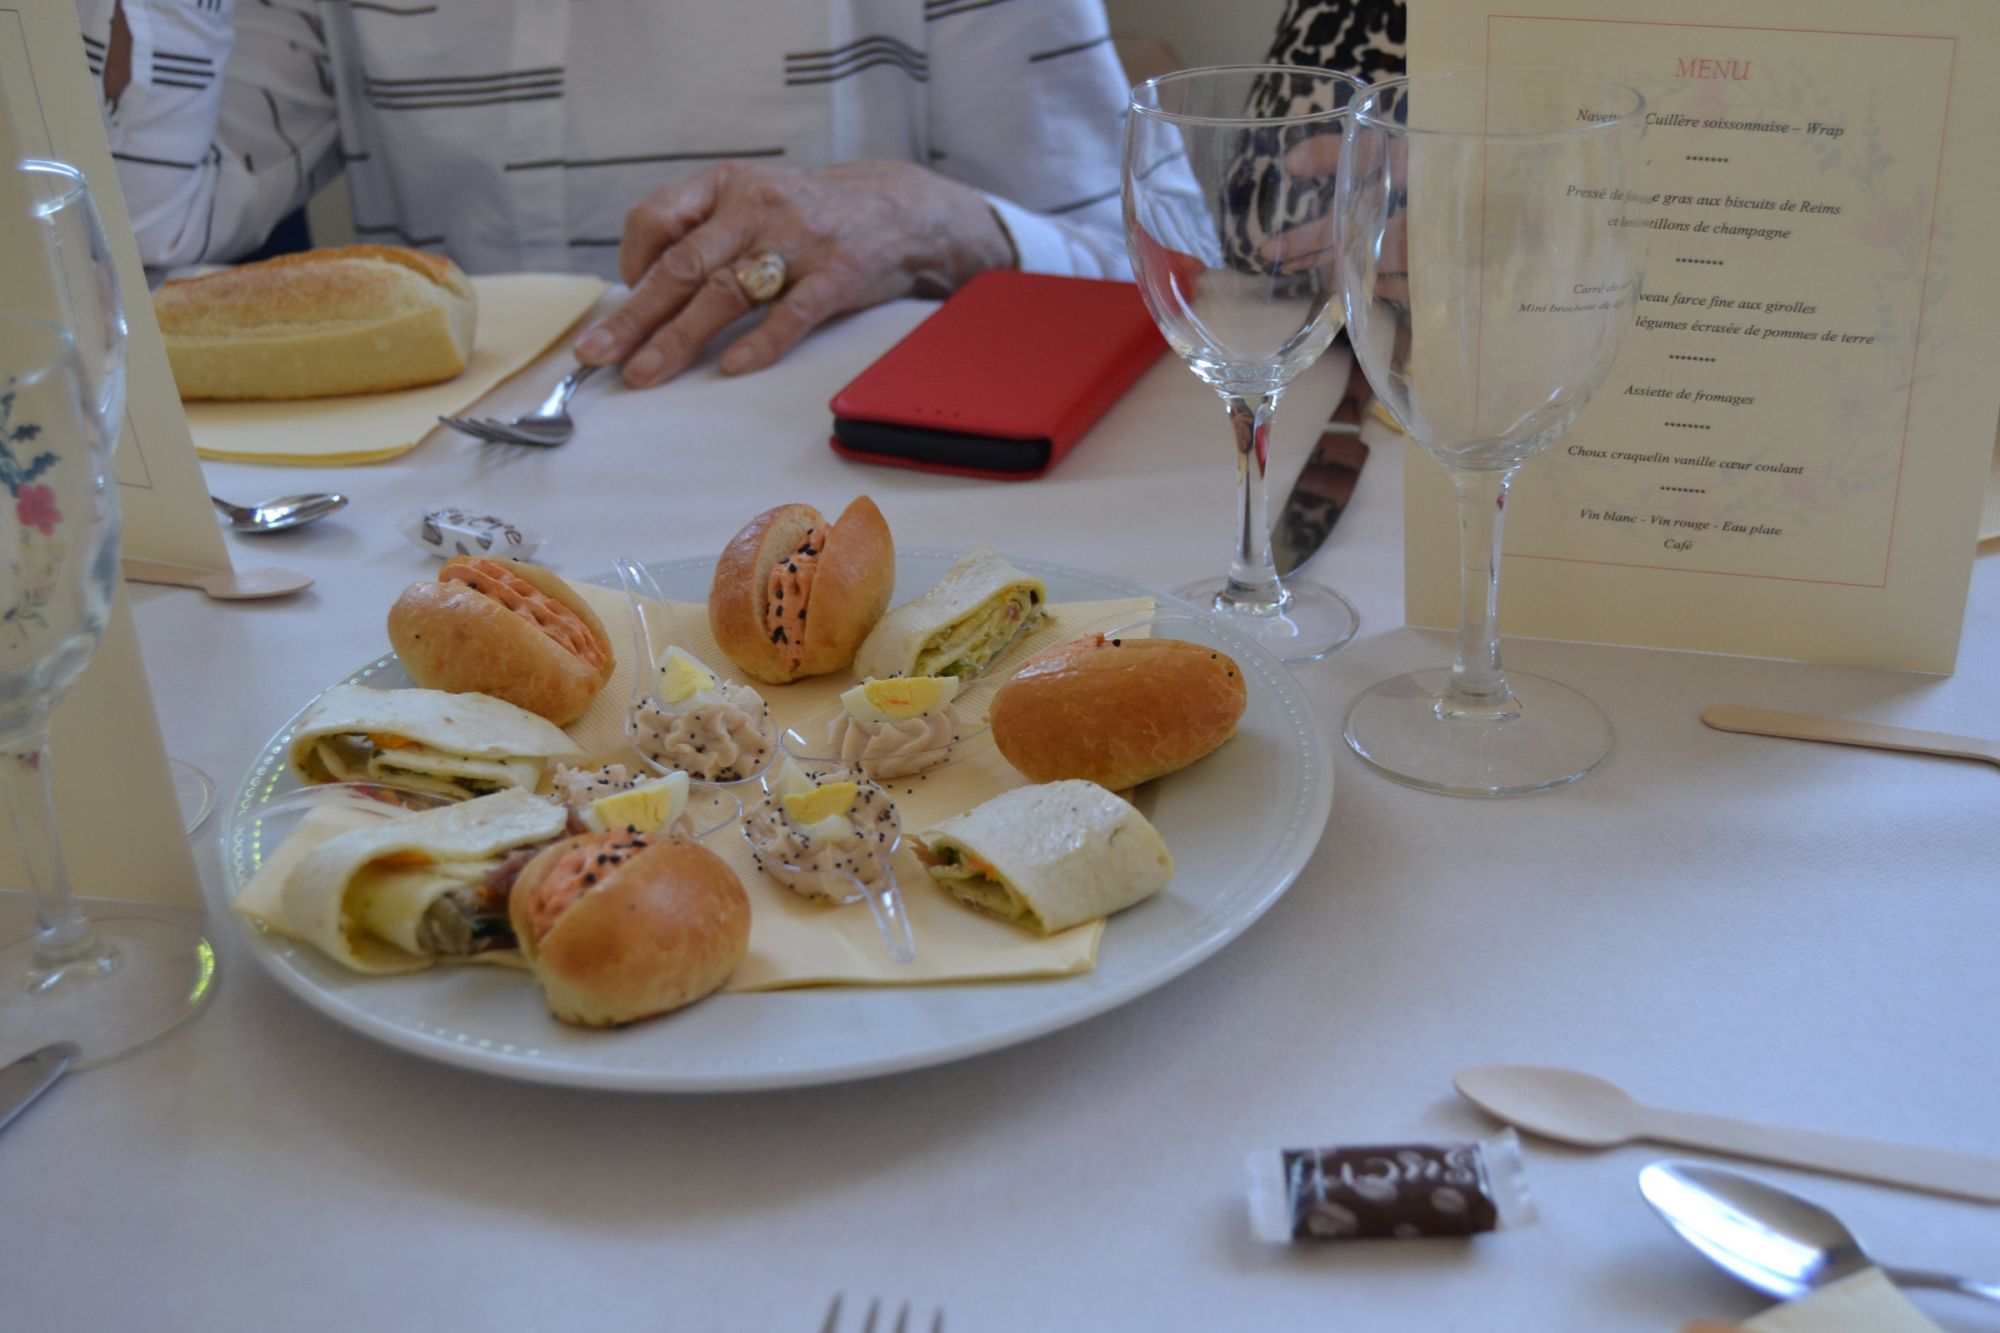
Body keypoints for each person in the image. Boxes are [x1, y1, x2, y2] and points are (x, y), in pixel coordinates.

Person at [77, 0, 1135, 387]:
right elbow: (125, 240)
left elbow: (1148, 265)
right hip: (444, 545)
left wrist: (930, 216)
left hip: (854, 508)